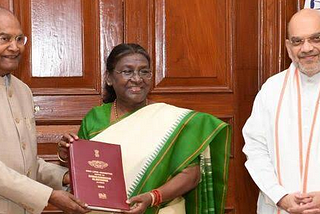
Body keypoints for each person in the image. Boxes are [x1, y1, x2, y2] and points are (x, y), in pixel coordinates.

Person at [58, 43, 231, 214]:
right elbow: (86, 173)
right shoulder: (95, 119)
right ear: (109, 78)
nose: (137, 78)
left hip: (162, 209)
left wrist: (152, 197)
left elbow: (192, 175)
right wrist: (68, 154)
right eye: (127, 71)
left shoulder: (171, 119)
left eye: (144, 71)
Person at [0, 7, 88, 214]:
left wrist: (67, 176)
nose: (15, 47)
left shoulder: (23, 91)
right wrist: (48, 196)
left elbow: (27, 164)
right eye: (4, 38)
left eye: (20, 39)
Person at [243, 9, 320, 214]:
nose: (307, 48)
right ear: (288, 47)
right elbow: (255, 149)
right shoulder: (272, 88)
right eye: (297, 41)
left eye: (316, 38)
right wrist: (280, 197)